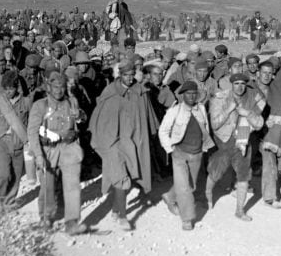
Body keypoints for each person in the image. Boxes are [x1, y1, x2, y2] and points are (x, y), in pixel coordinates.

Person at [89, 60, 157, 231]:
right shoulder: (110, 92)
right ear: (119, 75)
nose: (129, 78)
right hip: (113, 144)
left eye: (132, 75)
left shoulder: (140, 92)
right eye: (125, 75)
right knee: (121, 179)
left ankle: (115, 209)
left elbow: (147, 118)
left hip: (133, 142)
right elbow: (99, 120)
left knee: (129, 176)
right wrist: (105, 142)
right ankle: (123, 217)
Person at [28, 72, 88, 234]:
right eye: (55, 87)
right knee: (48, 186)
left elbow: (81, 119)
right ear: (48, 87)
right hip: (49, 150)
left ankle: (72, 222)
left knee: (72, 185)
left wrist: (81, 116)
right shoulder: (40, 106)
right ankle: (46, 218)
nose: (59, 90)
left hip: (69, 147)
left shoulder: (72, 101)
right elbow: (32, 132)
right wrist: (39, 155)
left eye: (62, 87)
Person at [206, 73, 265, 221]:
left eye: (243, 83)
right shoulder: (221, 98)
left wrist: (247, 113)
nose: (240, 87)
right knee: (216, 172)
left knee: (244, 175)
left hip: (243, 141)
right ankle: (207, 195)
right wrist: (229, 109)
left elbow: (259, 124)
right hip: (225, 141)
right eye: (236, 83)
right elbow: (214, 124)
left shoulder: (251, 99)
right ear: (231, 84)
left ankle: (240, 210)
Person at [158, 81, 215, 231]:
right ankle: (187, 218)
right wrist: (169, 149)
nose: (191, 96)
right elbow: (163, 131)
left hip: (197, 153)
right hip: (179, 154)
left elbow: (206, 128)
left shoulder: (201, 108)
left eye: (194, 93)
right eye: (188, 94)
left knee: (191, 185)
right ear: (183, 95)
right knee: (184, 188)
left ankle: (170, 196)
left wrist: (204, 147)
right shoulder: (175, 111)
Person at [0, 70, 32, 213]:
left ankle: (9, 201)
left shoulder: (26, 102)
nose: (9, 91)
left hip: (19, 143)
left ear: (17, 87)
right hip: (1, 142)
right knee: (2, 173)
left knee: (16, 176)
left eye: (12, 88)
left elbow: (32, 124)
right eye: (6, 88)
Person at [255, 61, 281, 209]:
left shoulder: (275, 90)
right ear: (258, 73)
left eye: (270, 73)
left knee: (270, 162)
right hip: (249, 132)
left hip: (267, 136)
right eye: (264, 72)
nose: (267, 76)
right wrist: (261, 122)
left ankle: (270, 197)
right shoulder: (251, 89)